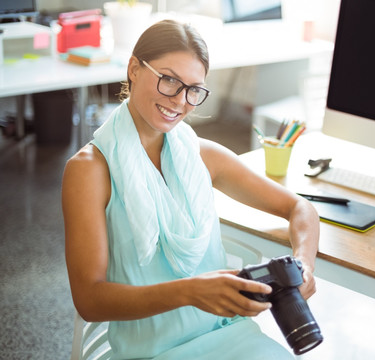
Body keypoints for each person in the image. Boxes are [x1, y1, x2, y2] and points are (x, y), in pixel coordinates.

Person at [62, 19, 320, 359]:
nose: (180, 101)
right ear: (135, 69)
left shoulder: (203, 156)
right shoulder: (88, 171)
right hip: (150, 351)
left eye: (193, 89)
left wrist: (304, 264)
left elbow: (301, 209)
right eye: (169, 80)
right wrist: (190, 292)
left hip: (231, 336)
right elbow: (89, 300)